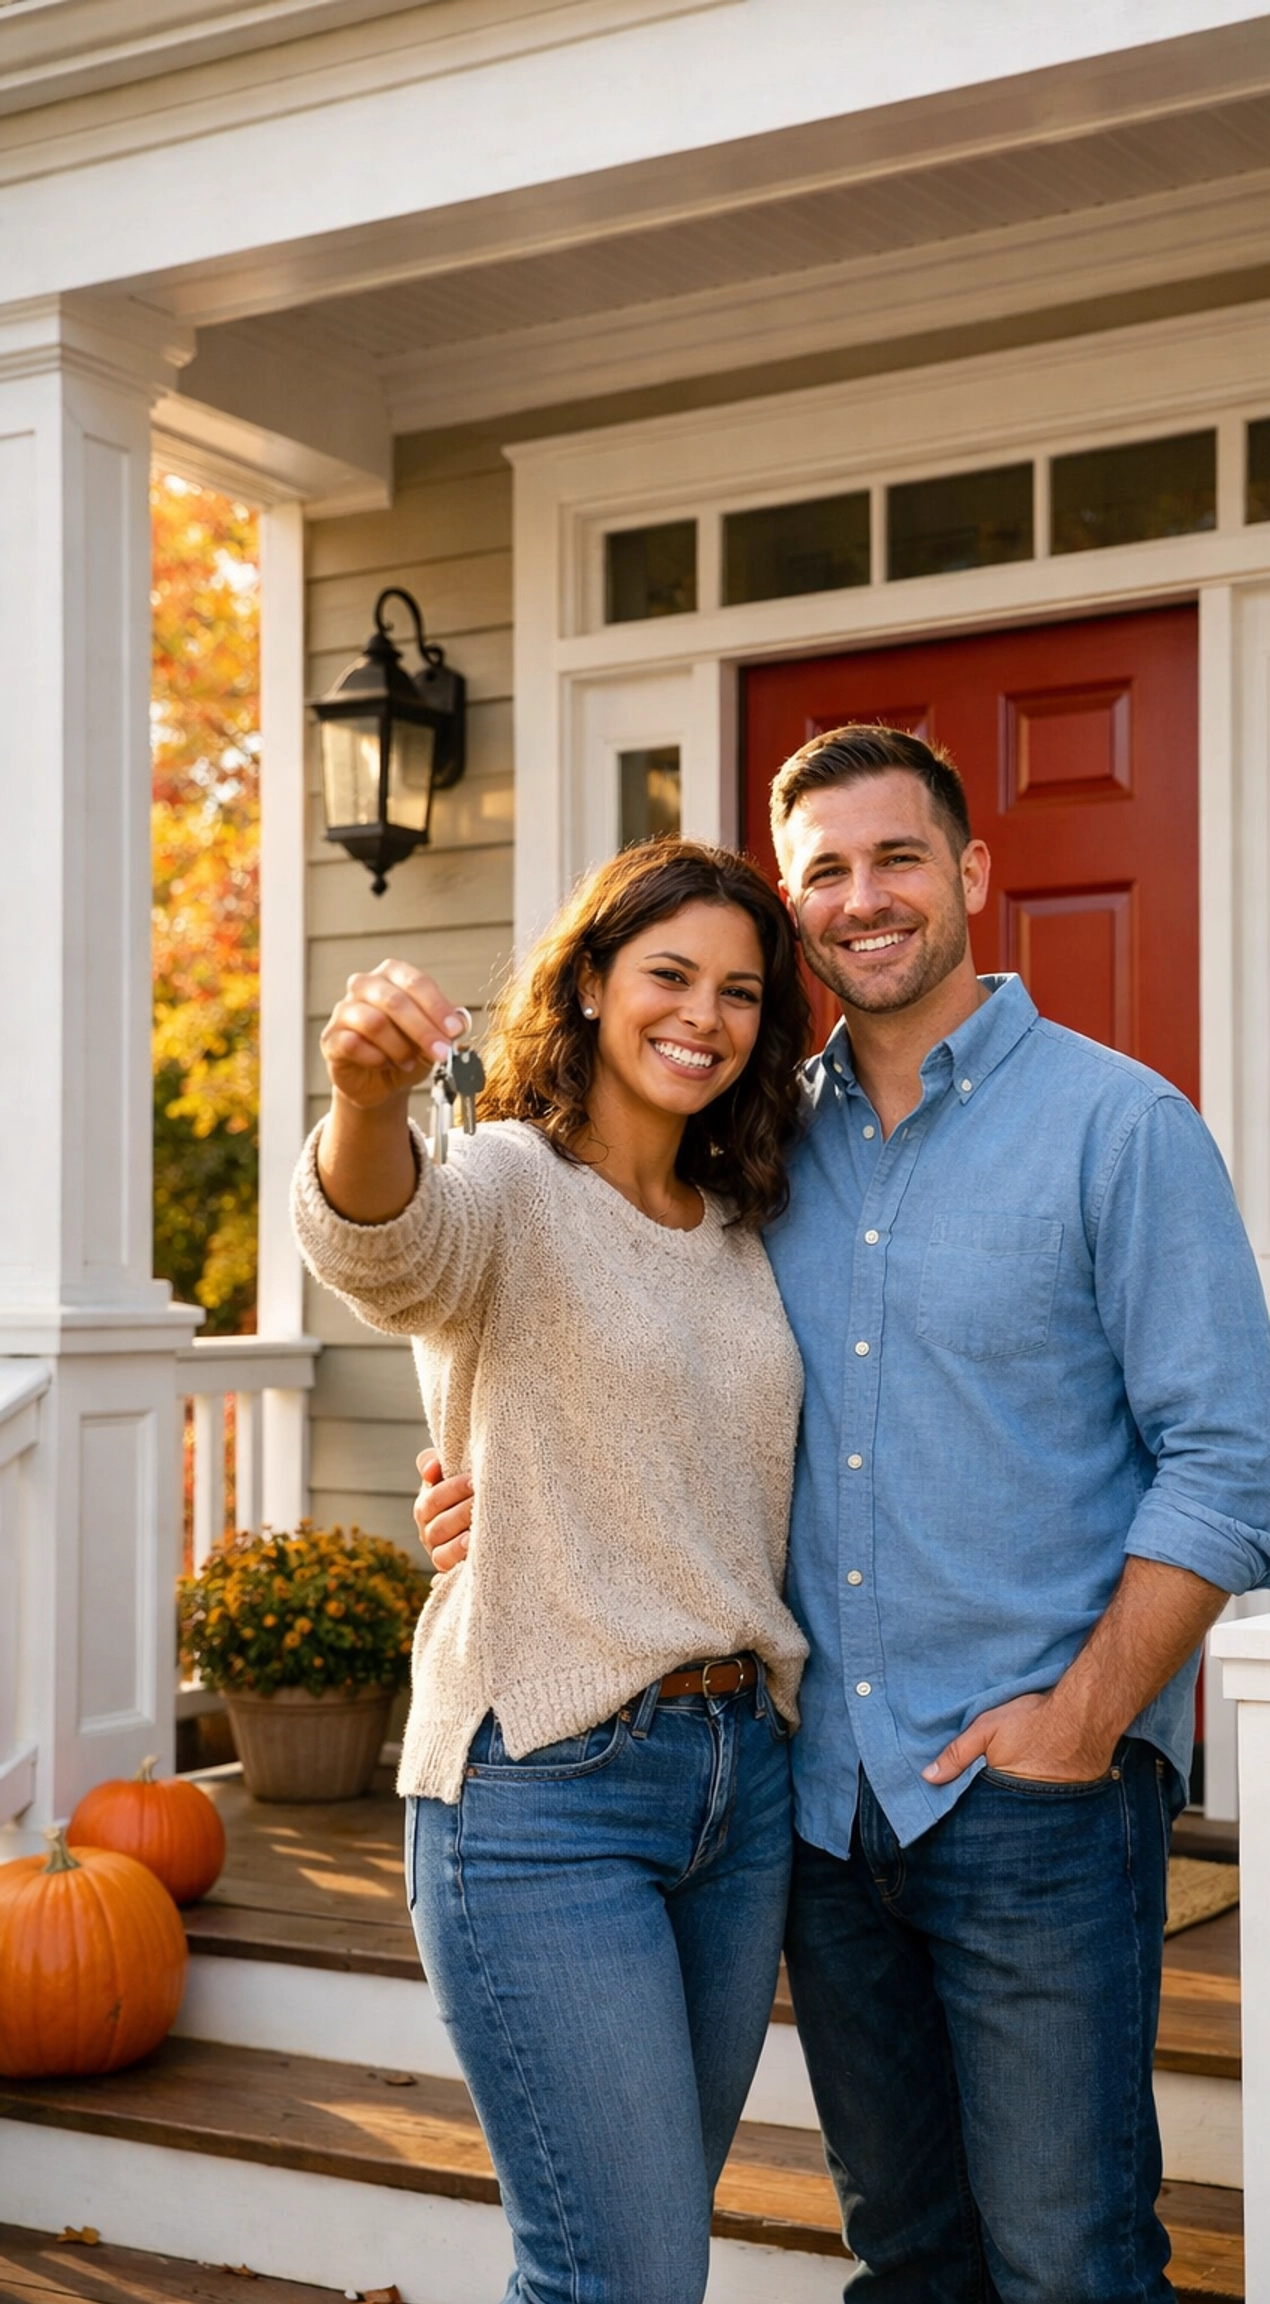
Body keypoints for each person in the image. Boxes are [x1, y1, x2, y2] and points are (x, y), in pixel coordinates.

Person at [417, 727, 1270, 2303]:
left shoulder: (1118, 1127)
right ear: (795, 905)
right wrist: (512, 1484)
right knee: (905, 2259)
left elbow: (1232, 1467)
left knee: (1070, 2260)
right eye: (824, 868)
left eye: (898, 858)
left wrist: (1088, 1718)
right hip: (813, 1809)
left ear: (970, 873)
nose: (863, 896)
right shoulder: (758, 1150)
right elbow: (643, 1372)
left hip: (1032, 1796)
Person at [293, 838, 812, 2304]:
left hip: (739, 1789)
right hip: (545, 1786)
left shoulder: (746, 1228)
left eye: (740, 991)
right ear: (588, 984)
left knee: (627, 2261)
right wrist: (366, 1095)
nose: (702, 1016)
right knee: (623, 2275)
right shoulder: (509, 1182)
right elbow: (384, 1241)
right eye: (666, 975)